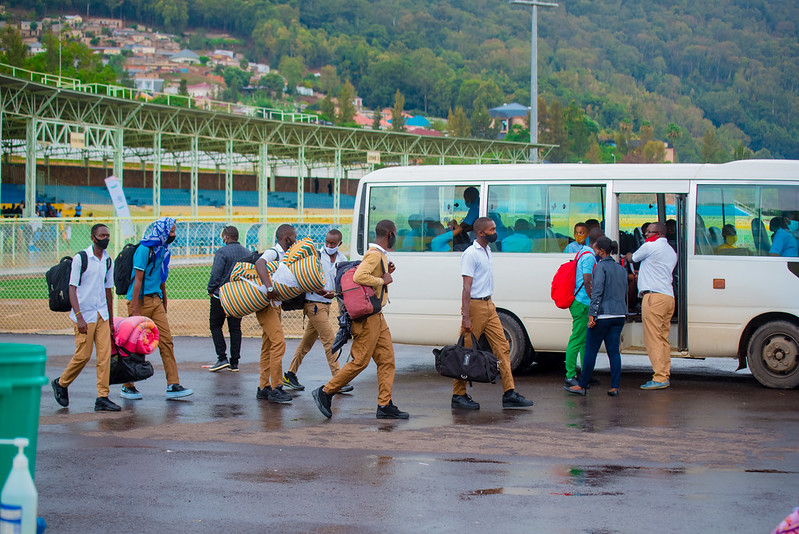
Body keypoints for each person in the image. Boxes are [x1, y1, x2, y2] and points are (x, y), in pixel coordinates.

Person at [312, 219, 409, 419]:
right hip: (367, 319)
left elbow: (368, 278)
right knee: (360, 361)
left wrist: (385, 274)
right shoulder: (374, 255)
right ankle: (325, 392)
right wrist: (383, 279)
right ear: (390, 234)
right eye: (395, 234)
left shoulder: (380, 256)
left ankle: (384, 405)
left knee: (387, 360)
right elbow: (359, 277)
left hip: (377, 317)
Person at [451, 217, 534, 410]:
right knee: (467, 351)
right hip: (475, 307)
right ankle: (458, 394)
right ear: (481, 233)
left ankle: (509, 393)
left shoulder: (487, 250)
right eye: (492, 229)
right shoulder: (471, 254)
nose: (496, 232)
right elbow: (466, 287)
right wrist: (466, 316)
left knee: (503, 347)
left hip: (489, 305)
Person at [120, 217, 193, 400]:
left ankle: (173, 384)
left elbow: (161, 278)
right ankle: (127, 385)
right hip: (140, 301)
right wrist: (135, 312)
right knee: (134, 344)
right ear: (162, 231)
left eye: (175, 231)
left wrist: (164, 301)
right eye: (172, 231)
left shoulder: (163, 250)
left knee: (166, 341)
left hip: (156, 301)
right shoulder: (144, 249)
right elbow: (137, 280)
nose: (174, 235)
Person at [51, 223, 120, 412]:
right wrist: (79, 317)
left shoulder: (107, 261)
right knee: (83, 355)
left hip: (102, 315)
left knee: (105, 356)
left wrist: (111, 320)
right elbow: (72, 289)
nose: (106, 238)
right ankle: (61, 383)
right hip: (85, 315)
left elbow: (108, 291)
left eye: (108, 235)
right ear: (93, 237)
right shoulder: (81, 258)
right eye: (102, 235)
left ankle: (102, 397)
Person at [283, 229, 353, 392]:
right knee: (329, 340)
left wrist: (334, 293)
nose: (328, 245)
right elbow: (306, 278)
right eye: (327, 242)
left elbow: (341, 283)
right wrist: (321, 291)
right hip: (314, 304)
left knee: (306, 343)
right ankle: (338, 379)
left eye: (332, 243)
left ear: (339, 244)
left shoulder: (342, 259)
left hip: (326, 305)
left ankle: (290, 374)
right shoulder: (315, 256)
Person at [565, 237, 627, 397]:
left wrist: (592, 314)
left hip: (603, 315)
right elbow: (624, 290)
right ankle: (615, 386)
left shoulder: (600, 267)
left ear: (602, 251)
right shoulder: (620, 268)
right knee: (613, 351)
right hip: (619, 314)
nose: (594, 252)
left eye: (596, 249)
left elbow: (597, 291)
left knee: (591, 350)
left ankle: (583, 384)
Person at [625, 222, 677, 390]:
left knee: (653, 339)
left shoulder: (651, 246)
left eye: (649, 232)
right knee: (662, 338)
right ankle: (664, 373)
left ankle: (660, 377)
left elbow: (633, 258)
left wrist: (626, 255)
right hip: (668, 297)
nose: (646, 234)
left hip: (654, 298)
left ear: (659, 233)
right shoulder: (670, 250)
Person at [254, 224, 297, 404]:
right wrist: (269, 287)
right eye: (293, 237)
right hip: (267, 305)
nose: (295, 240)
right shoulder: (275, 252)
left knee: (268, 345)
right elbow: (259, 263)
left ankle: (263, 386)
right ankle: (276, 387)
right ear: (286, 238)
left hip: (274, 305)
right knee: (278, 342)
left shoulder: (285, 255)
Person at [207, 226, 252, 372]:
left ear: (226, 237)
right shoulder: (247, 252)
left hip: (221, 295)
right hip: (238, 296)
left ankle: (222, 358)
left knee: (215, 325)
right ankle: (234, 362)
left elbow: (216, 274)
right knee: (235, 328)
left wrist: (211, 289)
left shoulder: (222, 251)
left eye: (223, 236)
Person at [564, 225, 597, 388]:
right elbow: (587, 280)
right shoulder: (590, 256)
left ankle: (586, 373)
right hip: (582, 302)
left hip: (581, 301)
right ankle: (570, 375)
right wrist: (594, 300)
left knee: (584, 341)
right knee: (577, 340)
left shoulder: (582, 251)